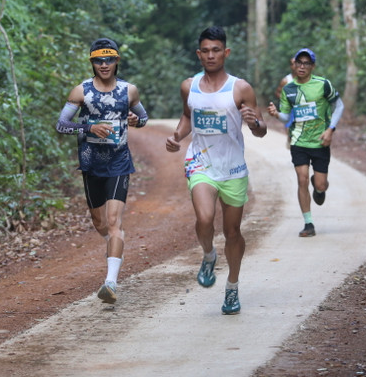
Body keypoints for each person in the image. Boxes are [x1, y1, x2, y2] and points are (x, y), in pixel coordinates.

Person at [165, 26, 267, 315]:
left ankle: (232, 287)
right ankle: (209, 254)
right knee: (205, 217)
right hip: (201, 163)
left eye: (216, 50)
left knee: (232, 232)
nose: (211, 55)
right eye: (206, 51)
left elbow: (261, 131)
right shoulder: (189, 86)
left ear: (226, 52)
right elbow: (188, 116)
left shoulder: (241, 88)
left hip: (233, 168)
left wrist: (254, 122)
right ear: (199, 54)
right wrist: (176, 137)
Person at [55, 37, 148, 304]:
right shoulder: (81, 91)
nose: (104, 64)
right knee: (99, 223)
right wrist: (88, 128)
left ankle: (110, 282)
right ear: (92, 62)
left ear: (117, 61)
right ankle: (114, 245)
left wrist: (135, 119)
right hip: (90, 162)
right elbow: (62, 124)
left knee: (113, 222)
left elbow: (143, 117)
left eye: (109, 59)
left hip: (119, 162)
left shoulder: (129, 90)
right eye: (98, 60)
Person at [267, 47, 344, 237]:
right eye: (299, 63)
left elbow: (339, 106)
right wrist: (277, 114)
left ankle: (319, 187)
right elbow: (287, 117)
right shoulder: (288, 89)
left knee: (320, 185)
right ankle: (308, 223)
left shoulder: (323, 84)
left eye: (306, 63)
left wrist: (330, 130)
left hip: (320, 142)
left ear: (312, 66)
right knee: (301, 179)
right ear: (294, 65)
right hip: (298, 141)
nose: (302, 67)